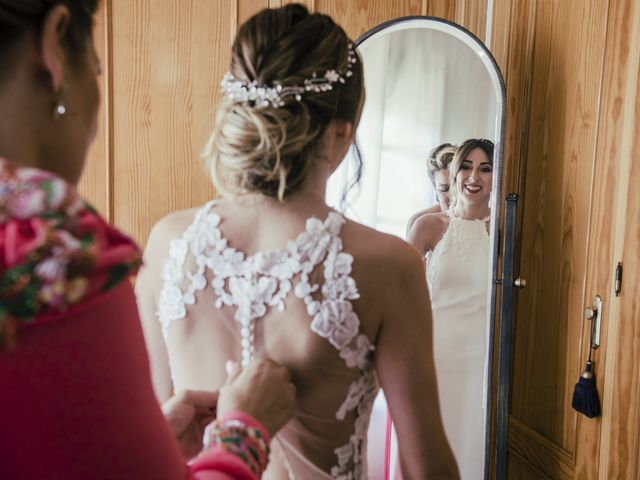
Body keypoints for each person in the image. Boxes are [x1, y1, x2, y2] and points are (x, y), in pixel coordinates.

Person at [137, 4, 459, 479]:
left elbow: (156, 440)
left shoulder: (168, 243)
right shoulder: (388, 265)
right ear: (342, 132)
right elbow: (426, 467)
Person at [0, 1, 296, 479]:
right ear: (54, 46)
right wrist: (244, 432)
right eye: (94, 69)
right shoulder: (55, 262)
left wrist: (149, 442)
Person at [407, 138, 494, 480]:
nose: (475, 176)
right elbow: (400, 294)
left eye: (485, 168)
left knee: (470, 451)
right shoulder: (428, 227)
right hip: (434, 357)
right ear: (455, 174)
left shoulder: (501, 232)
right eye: (467, 167)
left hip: (480, 364)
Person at [405, 143, 456, 237]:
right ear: (435, 190)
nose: (453, 196)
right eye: (444, 189)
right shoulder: (418, 221)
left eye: (456, 186)